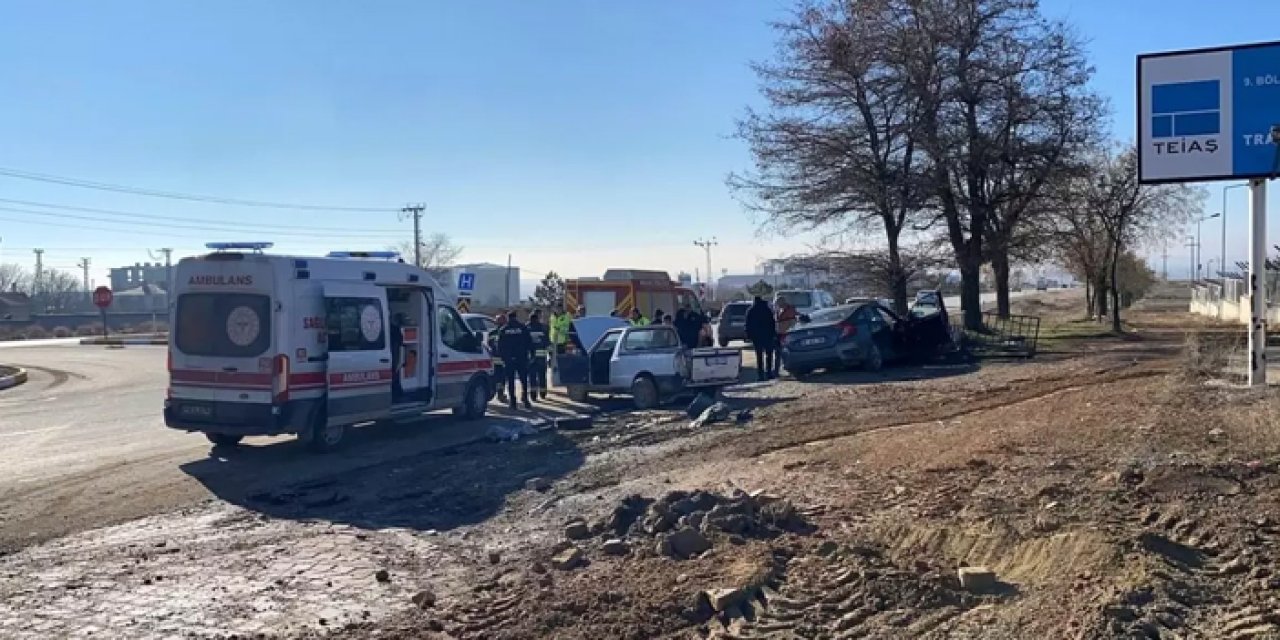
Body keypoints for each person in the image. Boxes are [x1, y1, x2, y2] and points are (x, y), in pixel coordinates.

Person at [497, 311, 533, 409]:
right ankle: (525, 400)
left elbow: (500, 346)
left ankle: (513, 402)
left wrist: (504, 358)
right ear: (516, 317)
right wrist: (528, 355)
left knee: (511, 381)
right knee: (524, 380)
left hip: (509, 359)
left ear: (508, 318)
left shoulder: (504, 329)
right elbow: (529, 342)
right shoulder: (523, 328)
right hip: (521, 358)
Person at [745, 296, 777, 381]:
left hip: (757, 336)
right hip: (767, 335)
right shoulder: (767, 310)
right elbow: (772, 322)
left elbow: (748, 324)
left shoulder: (751, 311)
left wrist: (749, 335)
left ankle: (760, 375)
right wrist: (773, 334)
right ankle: (769, 372)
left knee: (759, 355)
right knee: (769, 354)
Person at [527, 310, 551, 400]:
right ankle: (543, 393)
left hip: (531, 357)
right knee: (542, 375)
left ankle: (533, 395)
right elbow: (548, 342)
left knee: (532, 376)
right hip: (542, 356)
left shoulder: (526, 328)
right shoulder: (544, 328)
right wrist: (550, 356)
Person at [486, 313, 508, 403]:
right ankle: (500, 394)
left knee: (495, 377)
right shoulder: (506, 332)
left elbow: (489, 344)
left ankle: (494, 392)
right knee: (502, 378)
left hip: (494, 359)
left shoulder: (491, 333)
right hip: (503, 359)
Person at [774, 300, 798, 378]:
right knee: (779, 353)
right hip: (781, 334)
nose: (777, 306)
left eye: (778, 304)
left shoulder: (789, 310)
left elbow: (791, 322)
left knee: (784, 353)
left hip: (786, 334)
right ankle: (778, 370)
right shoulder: (781, 310)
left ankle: (788, 370)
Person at [390, 313, 405, 401]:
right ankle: (397, 394)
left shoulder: (392, 329)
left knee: (394, 375)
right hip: (394, 356)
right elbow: (399, 346)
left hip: (394, 356)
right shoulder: (395, 329)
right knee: (395, 375)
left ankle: (397, 393)